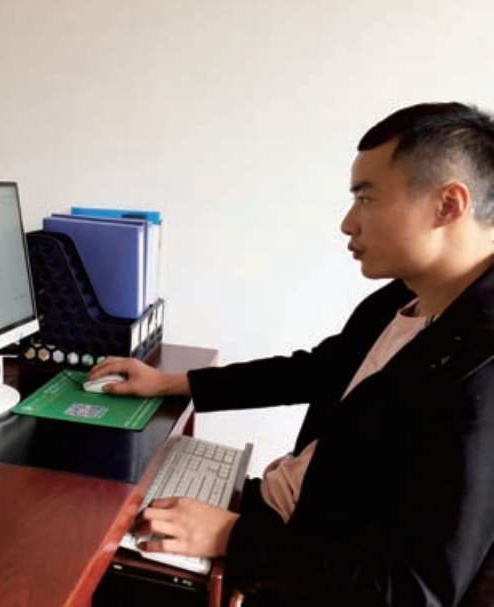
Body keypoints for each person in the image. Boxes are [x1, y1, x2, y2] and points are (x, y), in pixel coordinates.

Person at [88, 101, 494, 606]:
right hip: (288, 524)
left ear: (448, 205)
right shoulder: (405, 297)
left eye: (366, 198)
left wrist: (236, 539)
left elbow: (417, 591)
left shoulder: (480, 372)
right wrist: (173, 382)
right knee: (107, 503)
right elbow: (317, 370)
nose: (348, 223)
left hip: (299, 563)